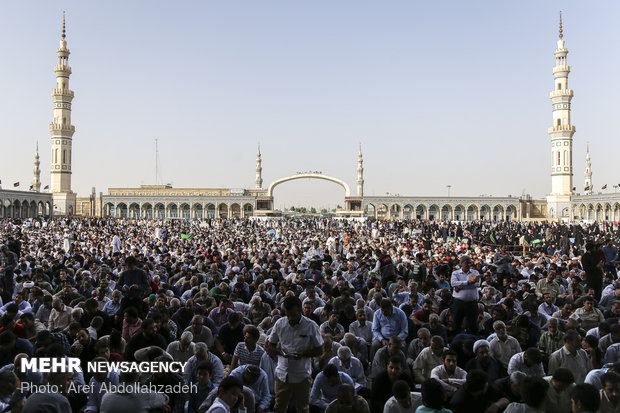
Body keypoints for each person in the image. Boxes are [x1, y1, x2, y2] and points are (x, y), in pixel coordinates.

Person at [268, 295, 323, 413]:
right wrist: (280, 352)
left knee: (303, 408)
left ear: (300, 310)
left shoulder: (311, 326)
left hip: (302, 375)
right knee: (279, 407)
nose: (290, 319)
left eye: (292, 315)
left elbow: (320, 350)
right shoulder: (280, 324)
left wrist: (304, 353)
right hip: (283, 374)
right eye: (287, 315)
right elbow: (270, 346)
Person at [450, 256, 480, 335]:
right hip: (459, 303)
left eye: (469, 263)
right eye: (466, 263)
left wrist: (460, 286)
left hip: (472, 303)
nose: (468, 265)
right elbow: (453, 283)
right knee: (457, 323)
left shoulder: (475, 273)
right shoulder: (455, 273)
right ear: (461, 264)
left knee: (472, 324)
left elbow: (476, 284)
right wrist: (468, 283)